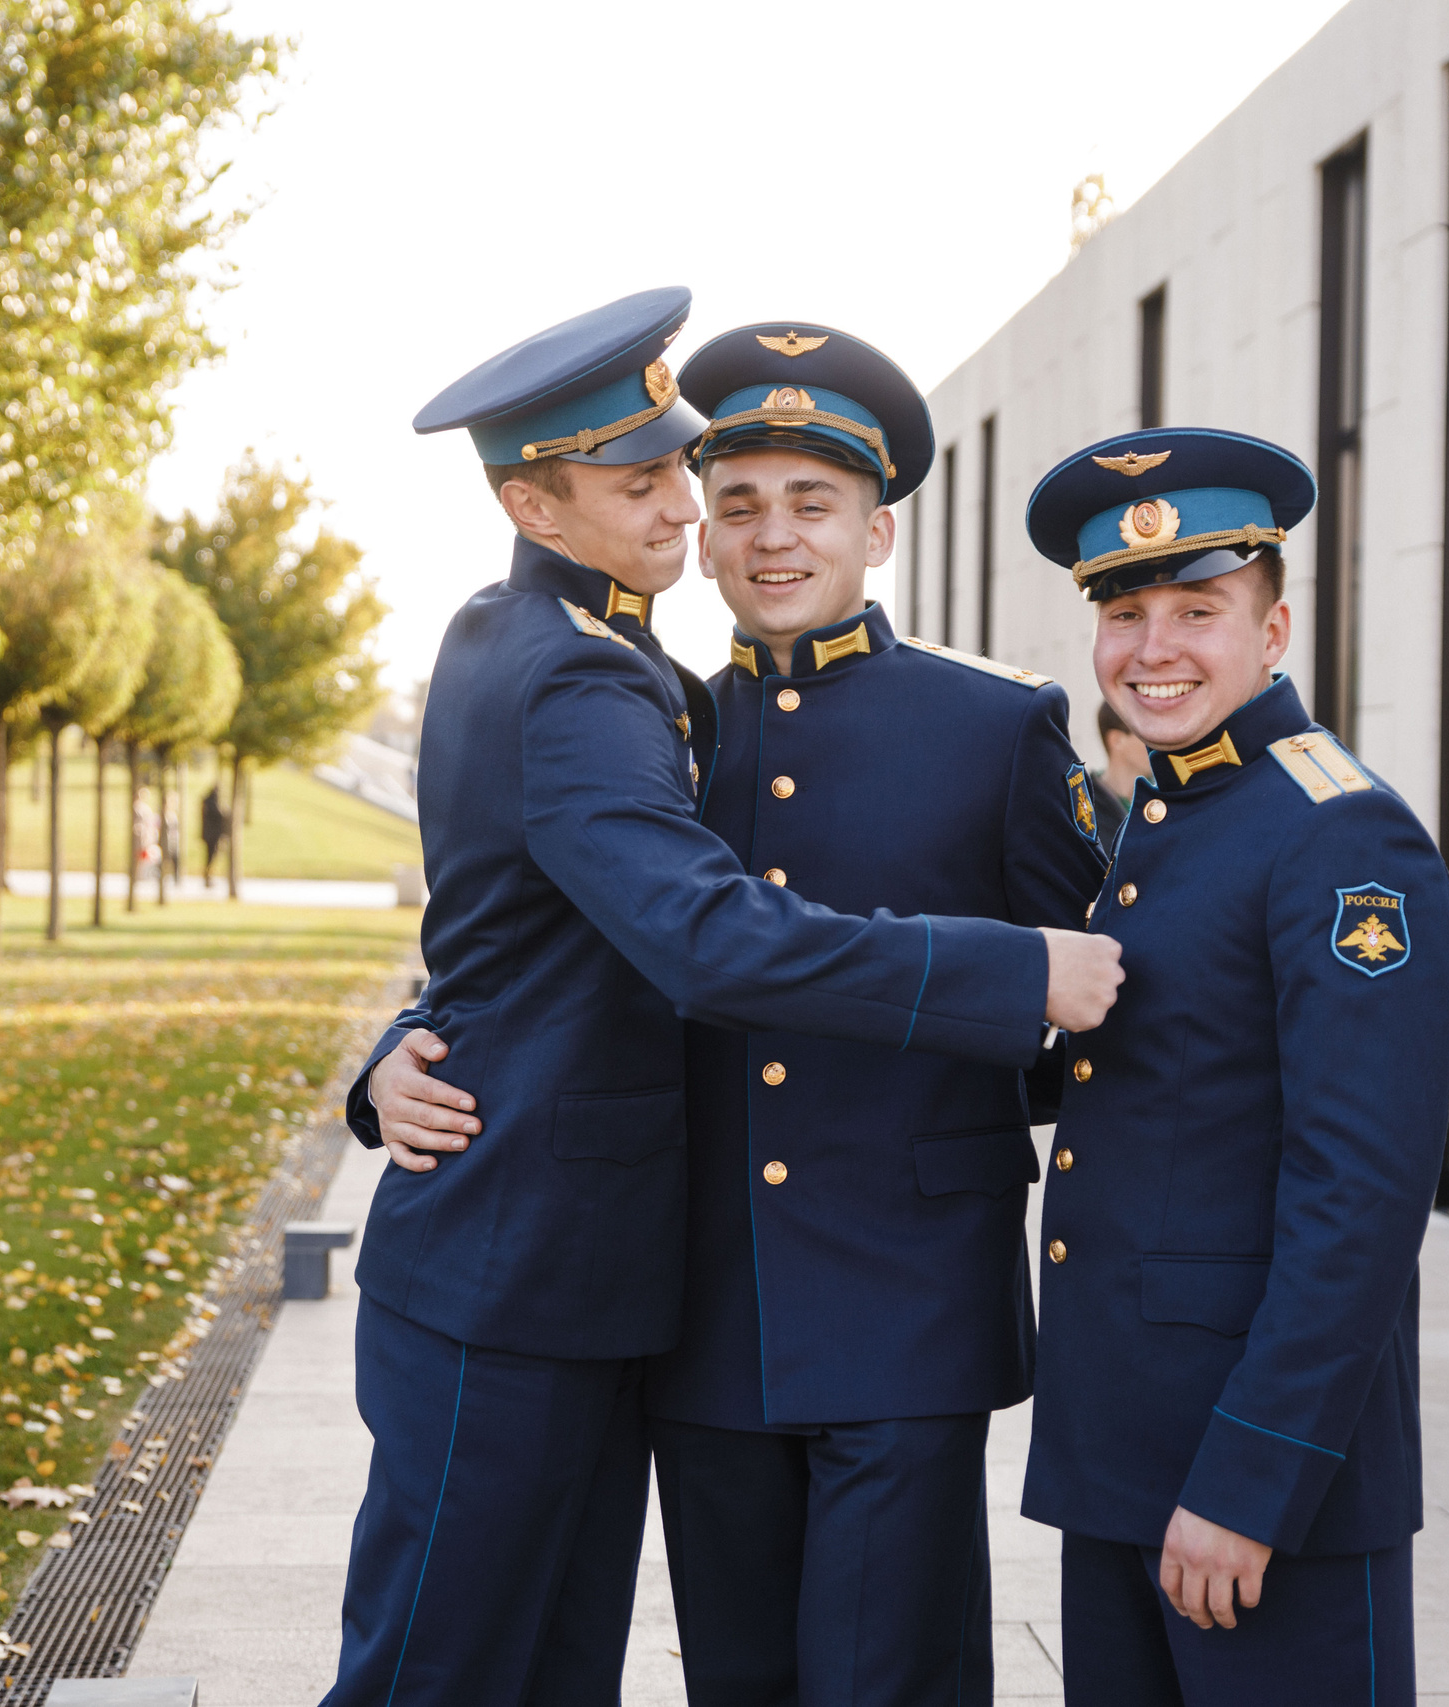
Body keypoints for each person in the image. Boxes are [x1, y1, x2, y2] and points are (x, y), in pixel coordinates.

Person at [320, 289, 1123, 1707]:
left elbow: (1105, 997)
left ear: (877, 530)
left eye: (811, 503)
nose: (755, 533)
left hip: (902, 1306)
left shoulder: (994, 727)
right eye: (722, 493)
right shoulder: (660, 708)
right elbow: (574, 934)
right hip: (699, 1310)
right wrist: (403, 1046)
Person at [1020, 427, 1449, 1706]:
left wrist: (1246, 1480)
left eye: (1196, 610)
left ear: (1271, 632)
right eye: (1124, 613)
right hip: (1124, 1452)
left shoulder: (1336, 832)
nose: (1152, 650)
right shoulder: (1167, 814)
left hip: (1258, 1486)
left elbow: (1361, 1197)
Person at [1092, 697, 1148, 846]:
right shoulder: (1083, 809)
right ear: (1117, 740)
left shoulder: (1164, 799)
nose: (1161, 740)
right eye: (1146, 730)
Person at [200, 783, 227, 887]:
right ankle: (208, 876)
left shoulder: (206, 802)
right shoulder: (212, 803)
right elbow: (219, 815)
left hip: (209, 835)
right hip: (212, 835)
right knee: (210, 857)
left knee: (210, 857)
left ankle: (208, 876)